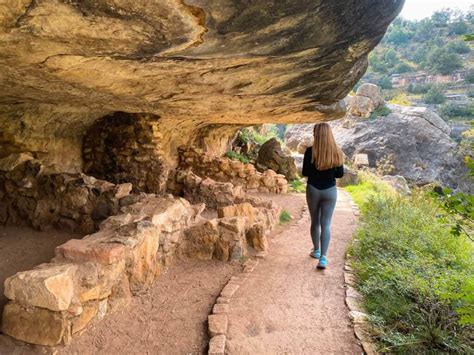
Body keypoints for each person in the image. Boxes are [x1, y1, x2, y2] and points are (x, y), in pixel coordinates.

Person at [302, 123, 344, 270]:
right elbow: (340, 174)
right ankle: (323, 259)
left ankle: (316, 250)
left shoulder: (310, 151)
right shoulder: (337, 151)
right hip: (330, 191)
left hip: (313, 188)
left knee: (315, 221)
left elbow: (305, 172)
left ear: (316, 134)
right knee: (326, 224)